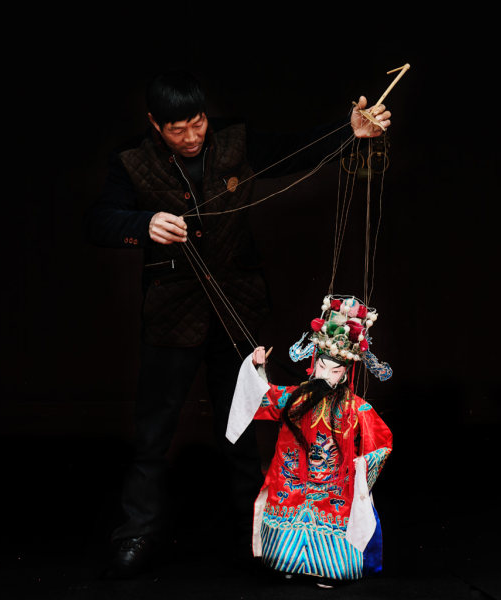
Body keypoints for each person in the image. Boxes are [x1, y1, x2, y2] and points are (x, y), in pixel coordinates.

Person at [84, 70, 391, 578]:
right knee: (153, 432)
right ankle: (136, 532)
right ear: (155, 124)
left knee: (247, 425)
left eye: (198, 123)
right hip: (172, 315)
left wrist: (348, 131)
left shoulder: (235, 140)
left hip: (237, 306)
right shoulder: (131, 160)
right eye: (177, 129)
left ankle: (262, 536)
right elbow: (99, 220)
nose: (191, 137)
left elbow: (294, 150)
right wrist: (142, 223)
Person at [226, 295, 393, 589]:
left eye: (335, 371)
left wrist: (362, 466)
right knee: (284, 537)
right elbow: (263, 398)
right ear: (313, 364)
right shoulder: (295, 398)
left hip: (333, 487)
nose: (326, 376)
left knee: (333, 533)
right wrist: (258, 368)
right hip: (292, 481)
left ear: (346, 373)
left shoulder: (356, 408)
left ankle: (331, 570)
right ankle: (286, 564)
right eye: (322, 367)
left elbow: (382, 440)